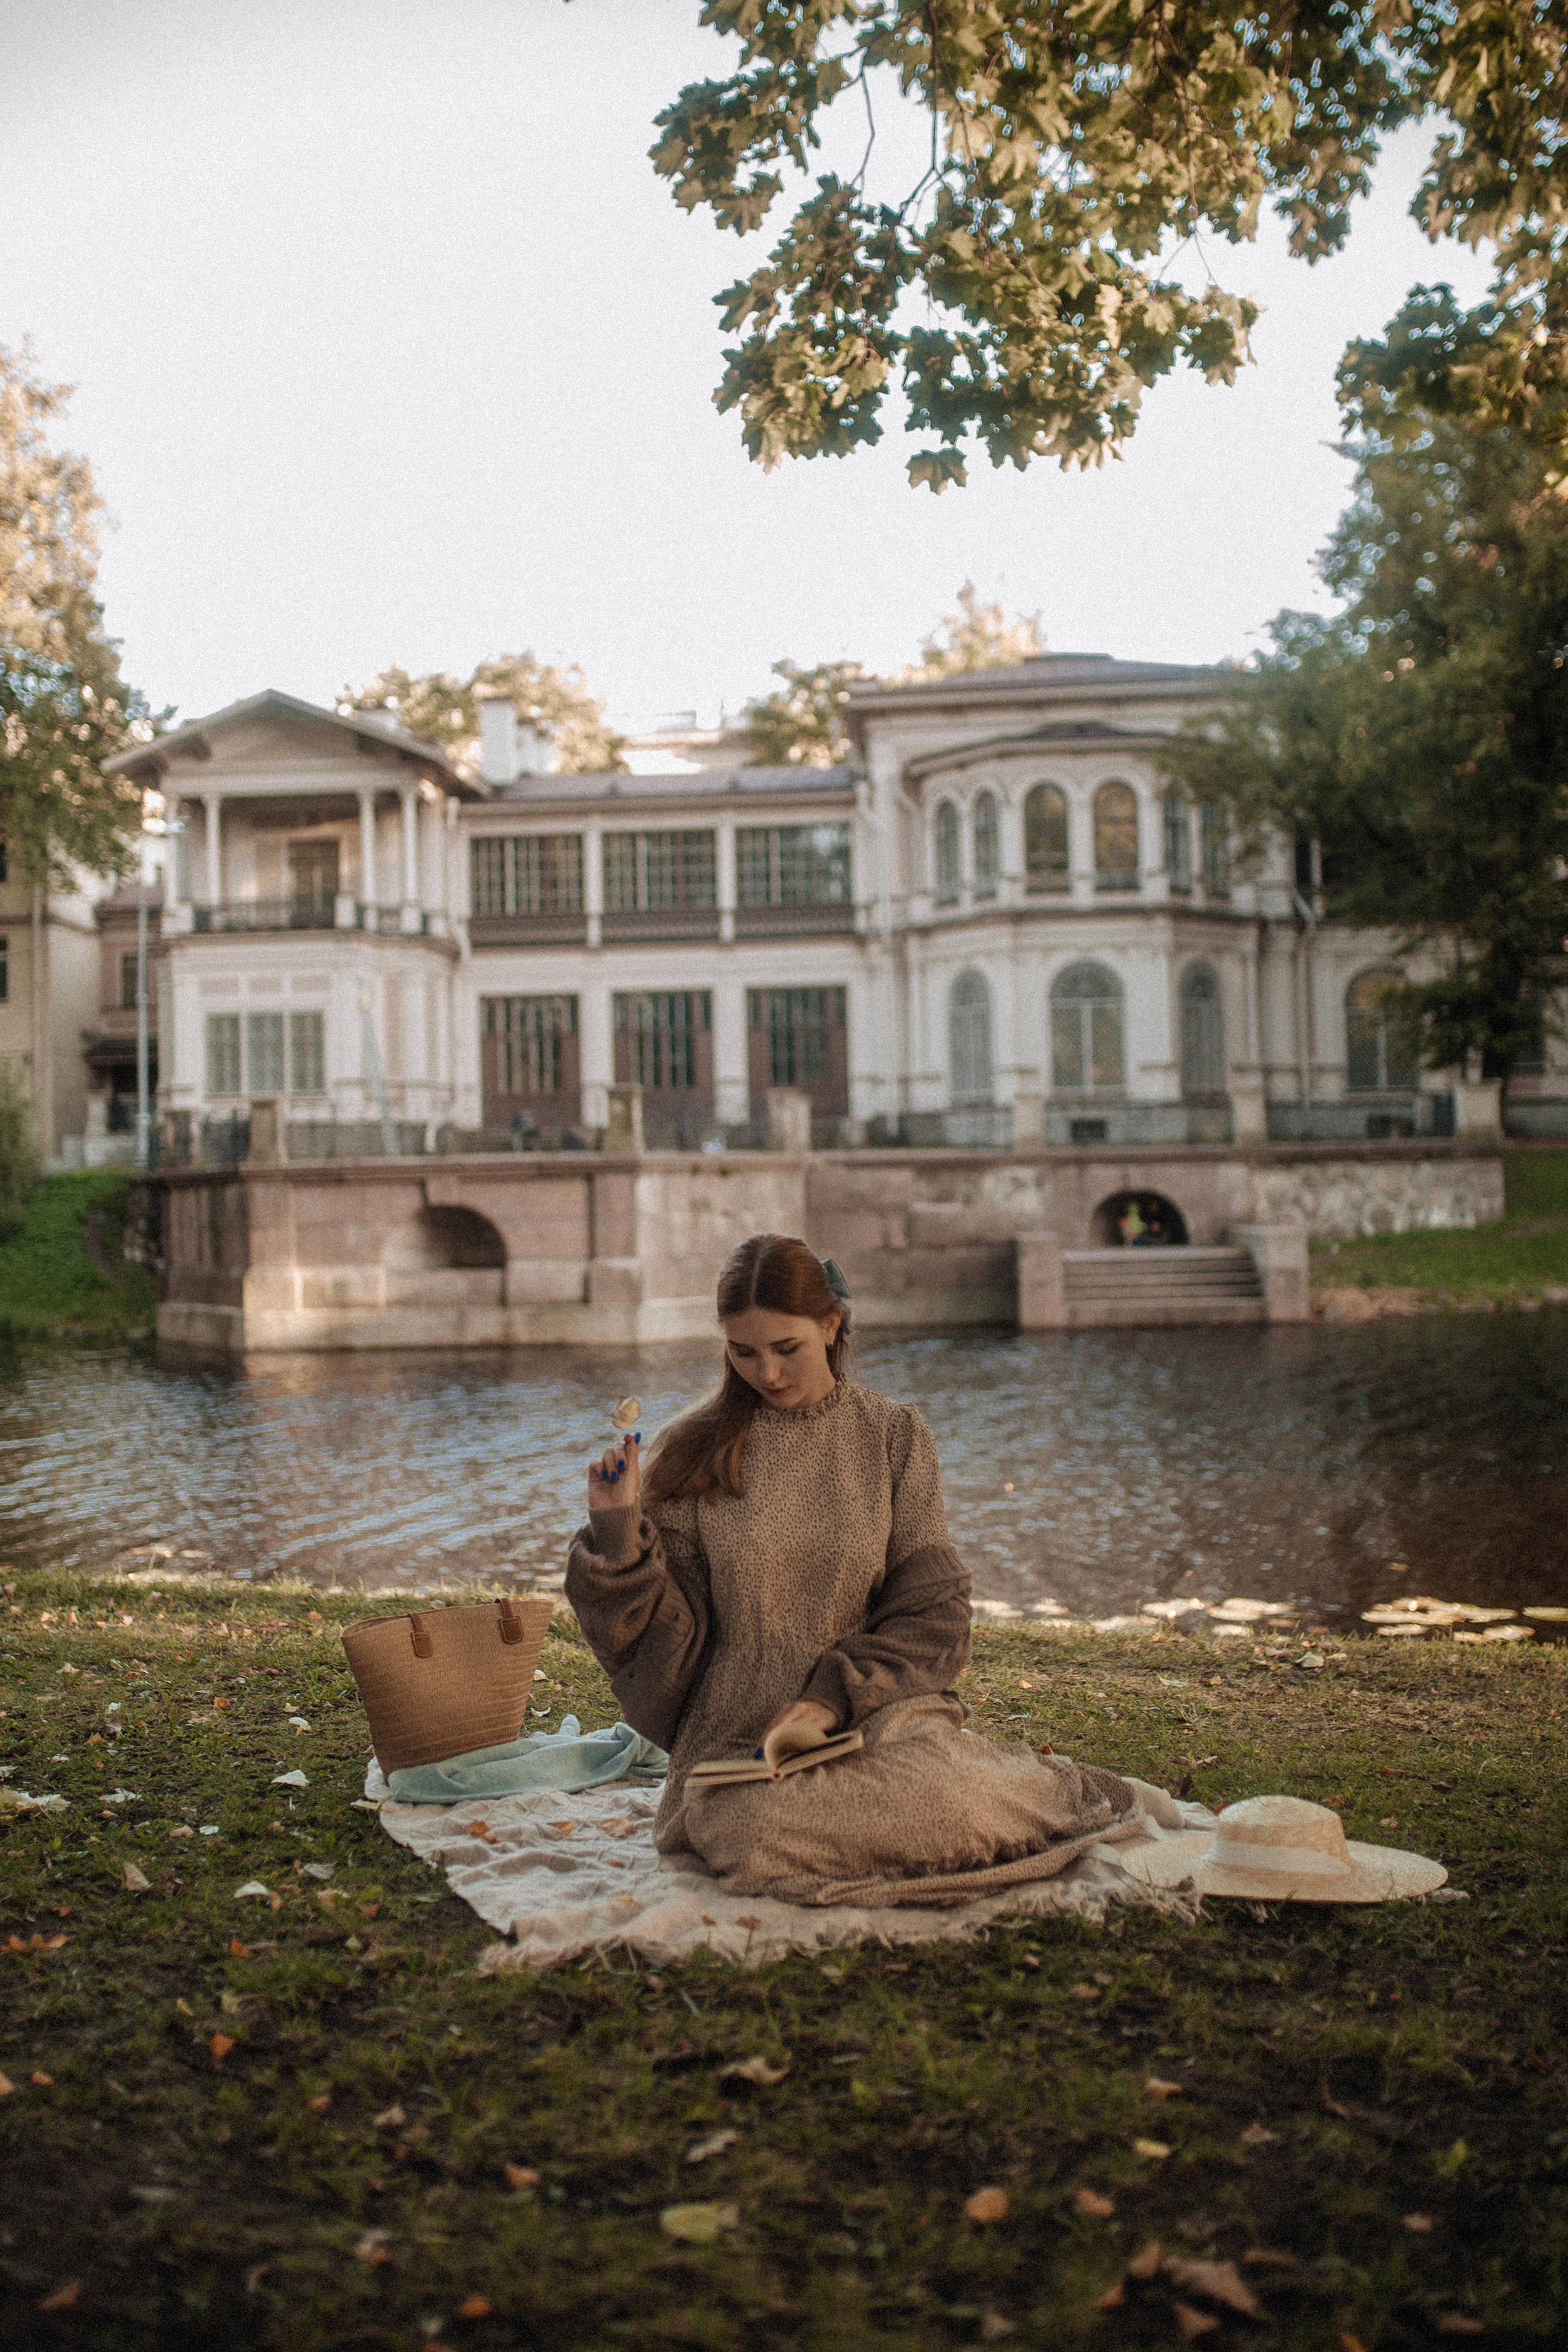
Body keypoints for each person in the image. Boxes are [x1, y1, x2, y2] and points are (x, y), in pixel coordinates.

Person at [565, 1233, 1154, 1907]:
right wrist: (616, 1531)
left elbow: (932, 1610)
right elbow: (654, 1633)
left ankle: (1037, 1789)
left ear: (830, 1324)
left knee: (946, 1793)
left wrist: (830, 1697)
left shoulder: (894, 1436)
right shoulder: (695, 1450)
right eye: (743, 1352)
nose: (768, 1373)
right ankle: (968, 1817)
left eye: (786, 1349)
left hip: (873, 1709)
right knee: (749, 1830)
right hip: (738, 1734)